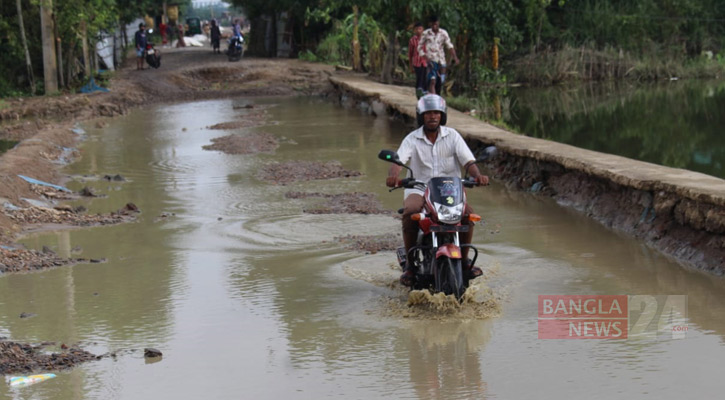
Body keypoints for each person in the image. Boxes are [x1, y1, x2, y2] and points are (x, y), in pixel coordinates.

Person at [386, 94, 489, 286]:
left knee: (468, 214)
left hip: (450, 191)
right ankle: (409, 265)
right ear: (421, 116)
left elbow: (468, 161)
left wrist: (477, 175)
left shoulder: (453, 136)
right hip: (418, 188)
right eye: (428, 113)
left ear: (442, 115)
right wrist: (394, 176)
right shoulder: (412, 138)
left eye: (436, 113)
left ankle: (465, 261)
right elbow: (399, 160)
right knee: (411, 212)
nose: (433, 116)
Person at [417, 16, 459, 95]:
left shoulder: (443, 33)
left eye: (436, 24)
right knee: (432, 80)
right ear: (430, 24)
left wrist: (455, 57)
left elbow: (449, 46)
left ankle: (436, 96)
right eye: (433, 25)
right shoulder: (426, 33)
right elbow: (419, 47)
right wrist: (425, 57)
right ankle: (432, 96)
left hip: (441, 61)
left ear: (438, 23)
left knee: (440, 82)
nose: (434, 26)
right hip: (431, 60)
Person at [408, 22, 427, 99]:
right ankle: (419, 97)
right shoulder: (412, 40)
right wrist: (411, 66)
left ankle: (424, 96)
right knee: (419, 80)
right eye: (416, 29)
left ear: (423, 30)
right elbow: (410, 54)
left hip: (426, 63)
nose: (418, 31)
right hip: (417, 63)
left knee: (425, 80)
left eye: (420, 29)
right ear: (414, 31)